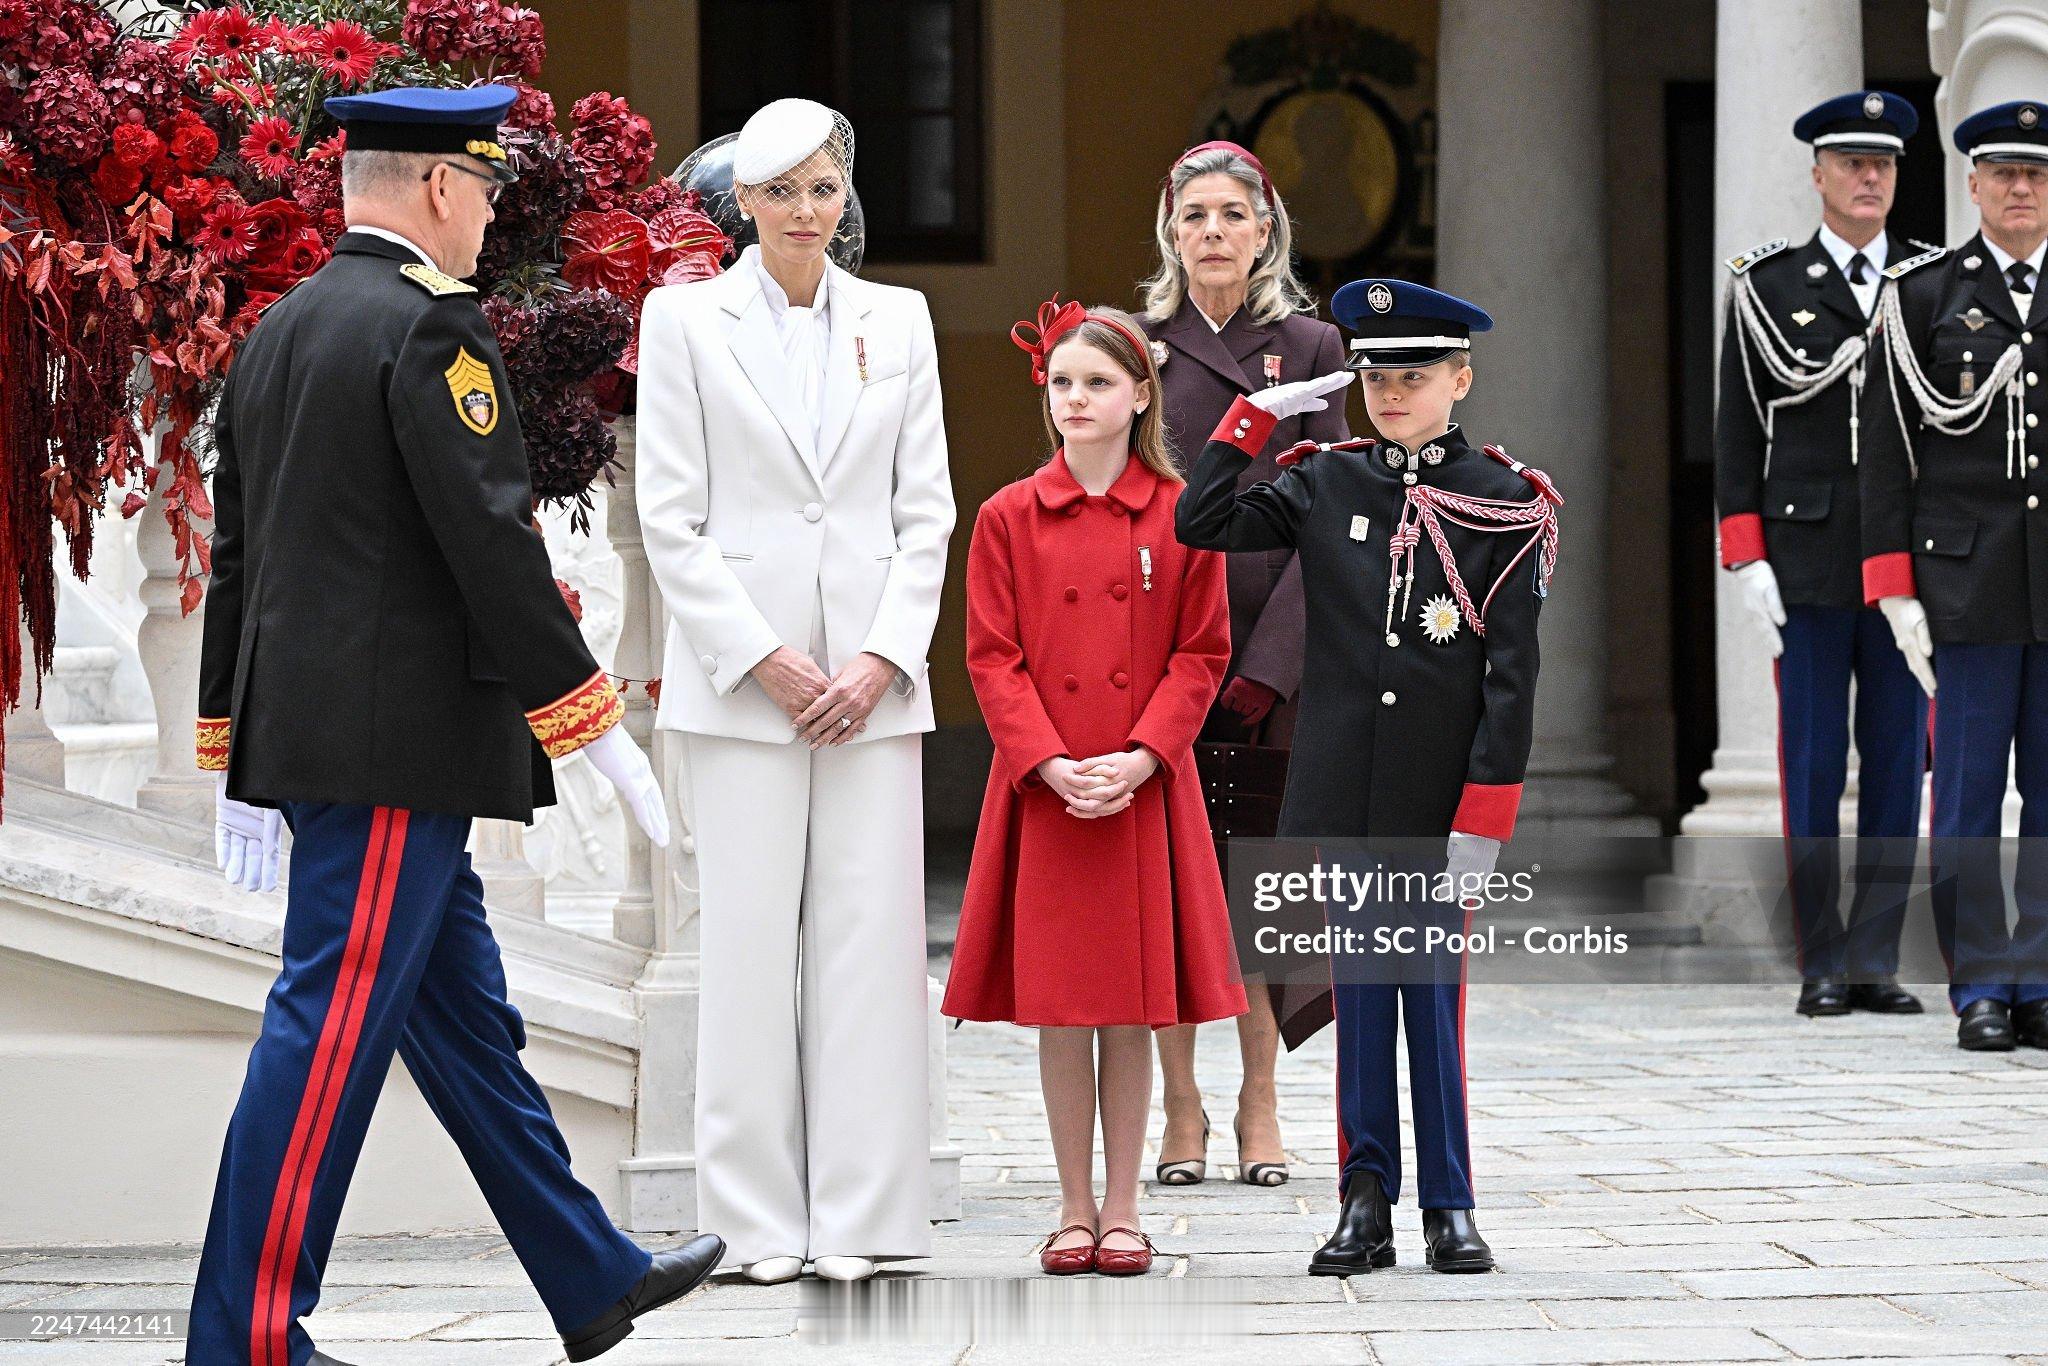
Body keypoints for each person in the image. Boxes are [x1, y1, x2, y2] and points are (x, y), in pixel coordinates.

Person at [188, 86, 721, 1366]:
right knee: (323, 1037)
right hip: (391, 749)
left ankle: (587, 1273)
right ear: (435, 186)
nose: (487, 214)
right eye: (483, 188)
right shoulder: (429, 329)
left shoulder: (281, 329)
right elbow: (489, 543)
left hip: (337, 738)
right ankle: (249, 1336)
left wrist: (228, 738)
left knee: (466, 1022)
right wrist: (589, 719)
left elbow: (238, 557)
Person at [1177, 280, 1562, 1276]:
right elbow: (1200, 523)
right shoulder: (1322, 479)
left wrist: (1483, 817)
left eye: (1415, 374)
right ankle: (1362, 1197)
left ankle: (1448, 1202)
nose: (1392, 392)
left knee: (1429, 1003)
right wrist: (1252, 419)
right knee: (1360, 1001)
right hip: (1344, 792)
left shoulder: (1506, 500)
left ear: (1458, 378)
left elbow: (1510, 680)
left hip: (1437, 807)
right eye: (1377, 373)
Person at [635, 98, 955, 1283]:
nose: (807, 213)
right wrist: (763, 654)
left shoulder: (899, 317)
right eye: (781, 193)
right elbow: (668, 516)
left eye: (824, 189)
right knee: (750, 950)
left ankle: (869, 1218)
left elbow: (923, 510)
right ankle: (756, 1225)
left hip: (873, 686)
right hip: (742, 688)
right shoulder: (682, 319)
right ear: (744, 205)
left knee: (872, 951)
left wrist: (882, 654)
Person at [943, 298, 1246, 1276]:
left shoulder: (1182, 513)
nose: (1075, 398)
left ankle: (1124, 1210)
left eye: (1097, 382)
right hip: (1045, 789)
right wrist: (1045, 760)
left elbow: (1202, 653)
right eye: (1062, 381)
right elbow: (991, 657)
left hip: (1141, 787)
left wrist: (1145, 754)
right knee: (1060, 1007)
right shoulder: (1004, 516)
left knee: (1128, 1008)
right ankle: (1069, 1206)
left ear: (1138, 394)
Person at [1135, 138, 1349, 1188]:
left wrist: (1272, 663)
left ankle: (1257, 1097)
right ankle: (1179, 1107)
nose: (1212, 233)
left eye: (1231, 215)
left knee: (1261, 894)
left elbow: (1333, 516)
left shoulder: (1309, 345)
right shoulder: (1136, 345)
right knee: (1167, 894)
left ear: (1264, 230)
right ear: (1169, 234)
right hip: (1157, 658)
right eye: (1193, 217)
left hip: (1269, 664)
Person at [1715, 91, 1928, 1018]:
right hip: (1801, 557)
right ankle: (1822, 961)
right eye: (1850, 162)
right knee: (1810, 761)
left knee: (1895, 760)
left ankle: (1877, 957)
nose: (1868, 177)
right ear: (1818, 174)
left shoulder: (1929, 281)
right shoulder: (1767, 286)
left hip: (1905, 563)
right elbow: (1737, 432)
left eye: (1881, 162)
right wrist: (1746, 556)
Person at [1860, 100, 2048, 1052]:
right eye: (2004, 174)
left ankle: (2042, 977)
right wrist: (1892, 584)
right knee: (1969, 791)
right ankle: (1979, 983)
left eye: (2038, 174)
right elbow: (1887, 451)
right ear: (1971, 184)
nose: (2021, 189)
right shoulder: (1926, 293)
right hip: (1964, 584)